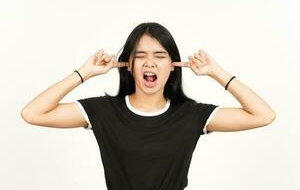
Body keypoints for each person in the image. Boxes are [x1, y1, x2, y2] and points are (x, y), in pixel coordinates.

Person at [21, 22, 276, 190]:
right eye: (140, 56)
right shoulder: (103, 111)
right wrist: (84, 72)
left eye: (160, 56)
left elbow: (263, 115)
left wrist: (216, 72)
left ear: (174, 65)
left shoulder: (191, 115)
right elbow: (32, 113)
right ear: (128, 66)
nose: (150, 63)